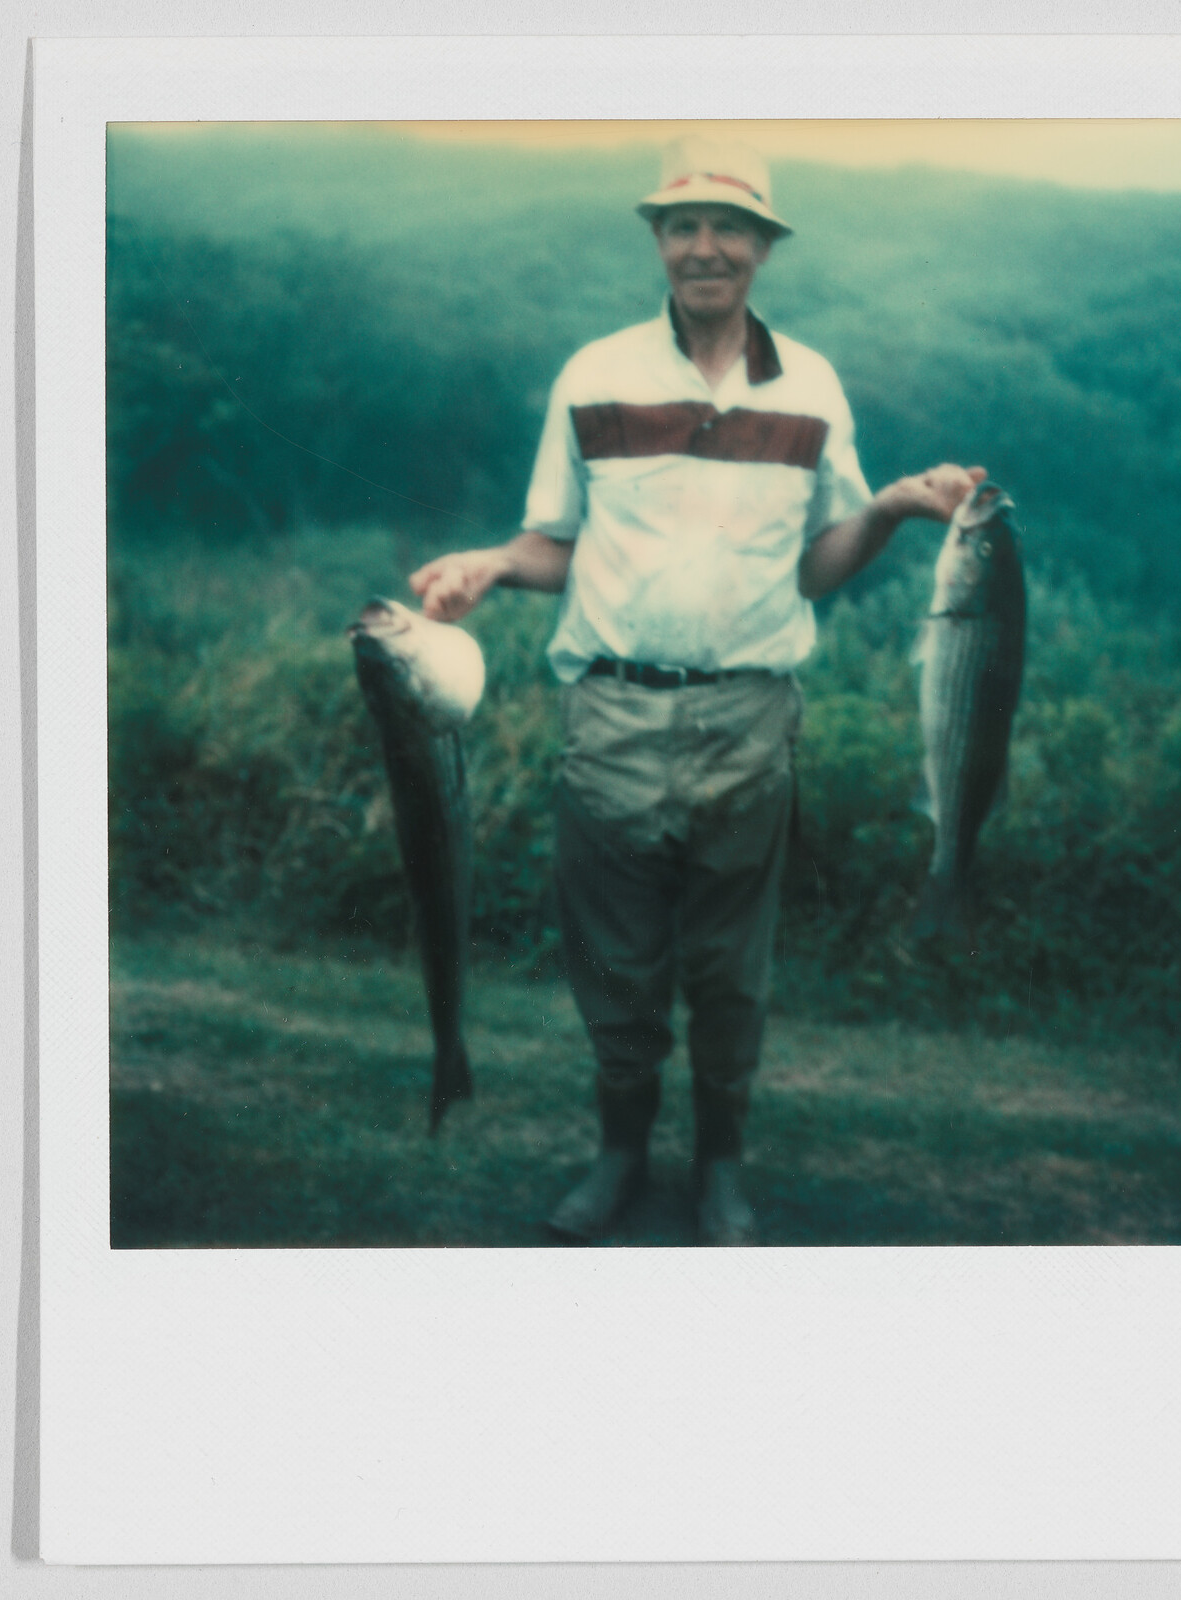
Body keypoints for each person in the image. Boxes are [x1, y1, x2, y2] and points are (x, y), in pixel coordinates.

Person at [409, 136, 984, 1245]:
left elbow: (818, 561)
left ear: (765, 247)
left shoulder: (811, 385)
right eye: (683, 226)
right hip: (612, 716)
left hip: (752, 719)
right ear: (658, 240)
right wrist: (491, 562)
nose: (705, 247)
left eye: (730, 227)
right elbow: (553, 542)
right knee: (616, 970)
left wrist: (894, 509)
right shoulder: (594, 373)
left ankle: (720, 1168)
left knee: (731, 972)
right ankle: (619, 1157)